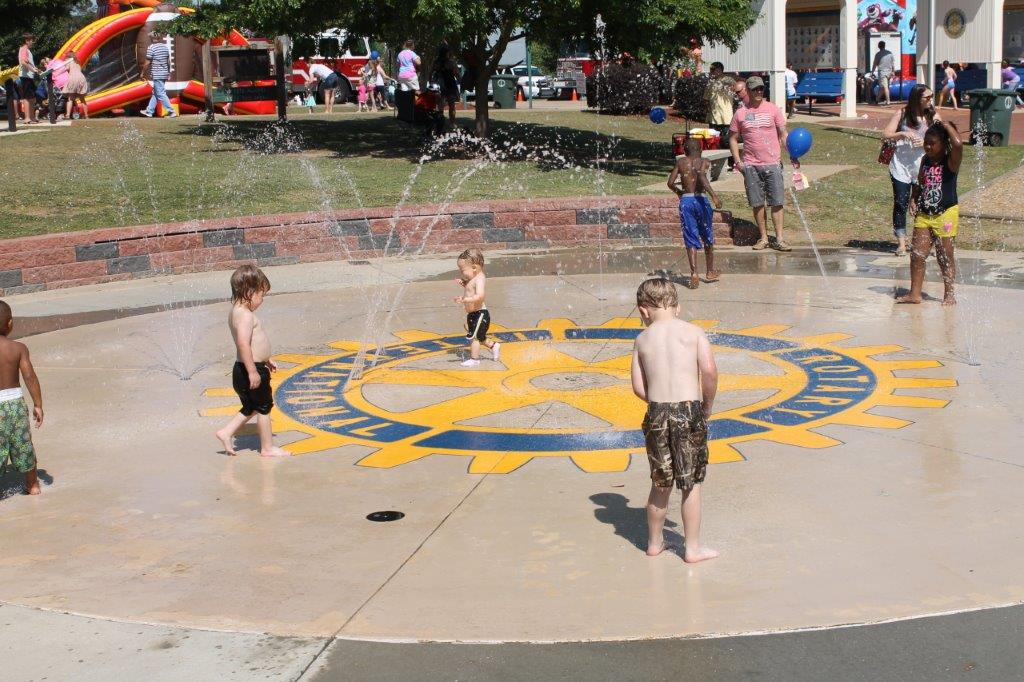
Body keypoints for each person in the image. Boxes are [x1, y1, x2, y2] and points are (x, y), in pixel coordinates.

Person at [630, 278, 719, 563]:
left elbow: (638, 387)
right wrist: (706, 406)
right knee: (690, 482)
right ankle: (692, 548)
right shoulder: (693, 332)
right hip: (688, 411)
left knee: (660, 481)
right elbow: (709, 372)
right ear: (678, 307)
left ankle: (654, 543)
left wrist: (657, 403)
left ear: (643, 311)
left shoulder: (642, 339)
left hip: (657, 412)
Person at [214, 265, 289, 457]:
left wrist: (266, 358)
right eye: (261, 295)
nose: (262, 301)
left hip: (244, 368)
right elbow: (243, 345)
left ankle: (226, 432)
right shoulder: (246, 316)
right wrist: (253, 371)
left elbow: (253, 344)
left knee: (252, 407)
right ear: (250, 291)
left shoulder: (235, 312)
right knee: (264, 408)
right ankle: (267, 448)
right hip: (251, 369)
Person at [728, 76, 798, 251]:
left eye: (761, 89)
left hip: (772, 163)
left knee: (777, 202)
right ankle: (764, 238)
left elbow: (783, 134)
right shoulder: (741, 113)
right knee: (757, 203)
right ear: (748, 91)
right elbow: (733, 138)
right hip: (751, 165)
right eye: (755, 89)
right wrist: (738, 162)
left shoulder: (773, 110)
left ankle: (780, 239)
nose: (759, 92)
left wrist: (793, 154)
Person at [897, 120, 963, 306]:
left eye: (932, 143)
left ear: (943, 144)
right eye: (926, 142)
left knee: (944, 255)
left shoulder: (951, 160)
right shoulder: (926, 160)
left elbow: (958, 143)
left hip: (946, 213)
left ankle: (949, 294)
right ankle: (915, 294)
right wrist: (913, 198)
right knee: (917, 255)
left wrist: (948, 125)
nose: (927, 146)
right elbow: (920, 181)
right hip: (925, 214)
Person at [883, 84, 938, 256]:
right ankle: (901, 243)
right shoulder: (902, 114)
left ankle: (926, 242)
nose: (930, 100)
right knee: (901, 202)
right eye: (927, 98)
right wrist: (902, 134)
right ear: (916, 99)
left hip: (924, 166)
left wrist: (926, 142)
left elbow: (942, 138)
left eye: (931, 96)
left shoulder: (933, 115)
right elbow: (886, 135)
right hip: (901, 166)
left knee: (925, 204)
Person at [0, 300, 43, 495]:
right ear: (10, 323)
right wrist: (38, 404)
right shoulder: (18, 348)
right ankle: (33, 485)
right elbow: (29, 376)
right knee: (23, 443)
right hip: (15, 404)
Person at [668, 138, 723, 289]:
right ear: (700, 150)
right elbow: (701, 176)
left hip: (686, 201)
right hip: (701, 200)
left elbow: (670, 183)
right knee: (707, 234)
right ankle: (710, 271)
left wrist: (679, 192)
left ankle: (694, 273)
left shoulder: (680, 163)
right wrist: (714, 196)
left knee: (690, 236)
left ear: (685, 151)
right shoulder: (704, 161)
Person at [453, 248, 500, 367]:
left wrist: (465, 299)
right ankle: (494, 346)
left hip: (480, 313)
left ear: (474, 267)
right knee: (480, 337)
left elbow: (480, 296)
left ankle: (475, 359)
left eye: (462, 269)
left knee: (474, 337)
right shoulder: (472, 278)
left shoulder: (480, 278)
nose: (460, 272)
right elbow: (470, 289)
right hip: (473, 313)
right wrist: (464, 284)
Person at [140, 30, 176, 118]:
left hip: (157, 73)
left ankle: (171, 111)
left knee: (160, 93)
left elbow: (147, 62)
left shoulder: (151, 47)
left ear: (152, 38)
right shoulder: (164, 47)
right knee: (156, 93)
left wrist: (142, 73)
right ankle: (149, 111)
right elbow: (168, 61)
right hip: (164, 72)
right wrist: (169, 72)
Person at [52, 54, 89, 119]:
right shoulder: (77, 63)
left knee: (70, 99)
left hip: (73, 78)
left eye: (65, 59)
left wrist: (56, 74)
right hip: (82, 78)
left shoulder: (69, 61)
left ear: (68, 58)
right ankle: (86, 115)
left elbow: (65, 69)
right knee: (82, 99)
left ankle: (68, 115)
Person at [432, 41, 460, 127]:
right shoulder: (451, 63)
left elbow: (431, 73)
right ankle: (452, 123)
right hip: (450, 84)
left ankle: (439, 123)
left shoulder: (436, 62)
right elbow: (457, 74)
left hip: (439, 85)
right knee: (452, 105)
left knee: (440, 106)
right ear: (447, 53)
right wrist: (460, 80)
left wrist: (431, 82)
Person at [705, 62, 735, 142]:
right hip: (713, 118)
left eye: (712, 70)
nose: (710, 72)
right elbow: (706, 99)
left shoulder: (728, 80)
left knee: (726, 141)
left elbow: (734, 85)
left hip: (726, 118)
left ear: (719, 70)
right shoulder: (710, 83)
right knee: (713, 141)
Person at [18, 33, 41, 124]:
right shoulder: (24, 49)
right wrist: (33, 70)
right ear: (27, 41)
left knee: (32, 98)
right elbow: (23, 62)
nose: (32, 42)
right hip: (25, 77)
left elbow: (28, 62)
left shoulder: (27, 50)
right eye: (31, 40)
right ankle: (27, 118)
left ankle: (31, 117)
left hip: (29, 77)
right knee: (27, 98)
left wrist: (36, 69)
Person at [872, 41, 896, 106]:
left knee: (885, 87)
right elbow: (893, 63)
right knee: (883, 87)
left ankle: (888, 101)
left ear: (879, 46)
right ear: (884, 45)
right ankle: (877, 99)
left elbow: (874, 64)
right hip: (889, 72)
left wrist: (872, 72)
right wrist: (893, 71)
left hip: (882, 72)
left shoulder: (878, 54)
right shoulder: (889, 53)